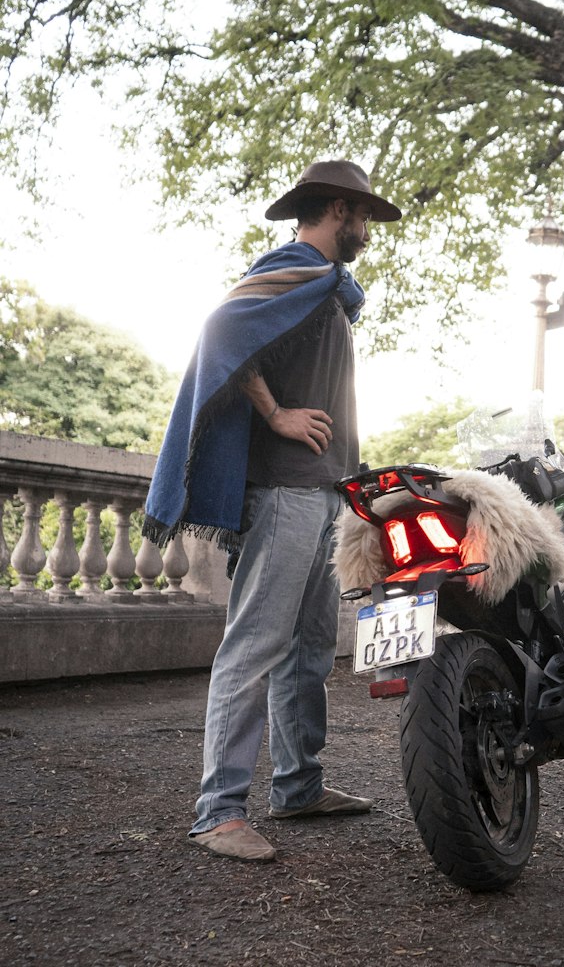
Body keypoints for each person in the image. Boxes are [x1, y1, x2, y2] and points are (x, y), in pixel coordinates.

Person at [143, 160, 402, 862]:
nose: (369, 233)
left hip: (327, 491)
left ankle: (298, 787)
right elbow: (221, 331)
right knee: (256, 643)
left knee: (312, 650)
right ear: (340, 209)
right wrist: (277, 413)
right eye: (365, 218)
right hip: (285, 490)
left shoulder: (329, 292)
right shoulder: (294, 269)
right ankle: (218, 811)